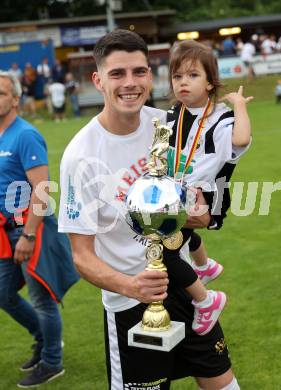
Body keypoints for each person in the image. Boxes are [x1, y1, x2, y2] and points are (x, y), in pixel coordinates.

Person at [58, 29, 240, 390]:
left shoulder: (170, 127)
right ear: (97, 80)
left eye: (139, 72)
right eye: (117, 74)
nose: (130, 83)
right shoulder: (81, 156)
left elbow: (204, 190)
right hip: (130, 302)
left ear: (150, 75)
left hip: (186, 286)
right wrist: (131, 286)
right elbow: (81, 255)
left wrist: (201, 212)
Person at [163, 39, 252, 336]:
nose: (183, 83)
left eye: (192, 75)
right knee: (179, 235)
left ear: (211, 82)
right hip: (180, 190)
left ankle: (206, 300)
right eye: (177, 77)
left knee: (166, 252)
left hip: (208, 195)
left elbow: (240, 140)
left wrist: (239, 107)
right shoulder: (175, 114)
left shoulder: (220, 119)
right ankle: (205, 266)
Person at [0, 71, 79, 388]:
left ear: (16, 99)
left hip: (30, 229)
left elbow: (42, 189)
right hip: (5, 233)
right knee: (4, 295)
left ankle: (52, 362)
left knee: (42, 299)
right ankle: (43, 339)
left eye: (2, 93)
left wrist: (29, 236)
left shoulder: (25, 135)